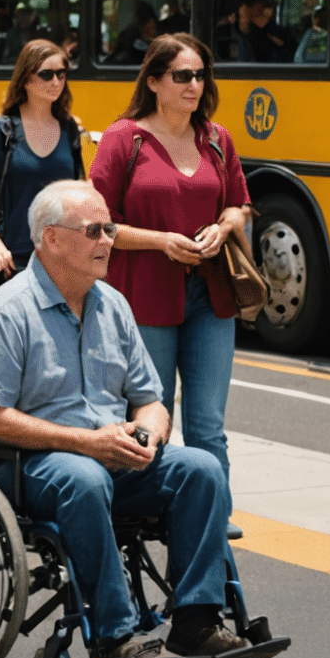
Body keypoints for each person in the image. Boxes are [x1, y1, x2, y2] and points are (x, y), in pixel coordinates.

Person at [0, 180, 246, 658]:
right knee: (85, 478)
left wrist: (150, 434)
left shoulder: (112, 305)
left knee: (202, 469)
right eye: (94, 230)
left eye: (110, 229)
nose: (108, 241)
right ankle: (115, 635)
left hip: (114, 452)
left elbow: (151, 400)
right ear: (51, 238)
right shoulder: (5, 314)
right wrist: (86, 443)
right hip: (40, 464)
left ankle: (197, 622)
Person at [90, 33, 250, 475]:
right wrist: (162, 241)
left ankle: (213, 519)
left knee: (208, 425)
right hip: (145, 298)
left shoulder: (217, 138)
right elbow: (102, 224)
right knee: (149, 421)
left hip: (211, 297)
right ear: (155, 81)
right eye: (182, 76)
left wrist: (223, 227)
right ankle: (144, 509)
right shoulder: (124, 139)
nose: (194, 85)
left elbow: (239, 203)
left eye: (200, 75)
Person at [0, 40, 84, 290]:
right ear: (25, 79)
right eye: (46, 74)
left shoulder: (70, 129)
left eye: (61, 74)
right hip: (13, 260)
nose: (56, 82)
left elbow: (81, 190)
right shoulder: (0, 131)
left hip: (61, 258)